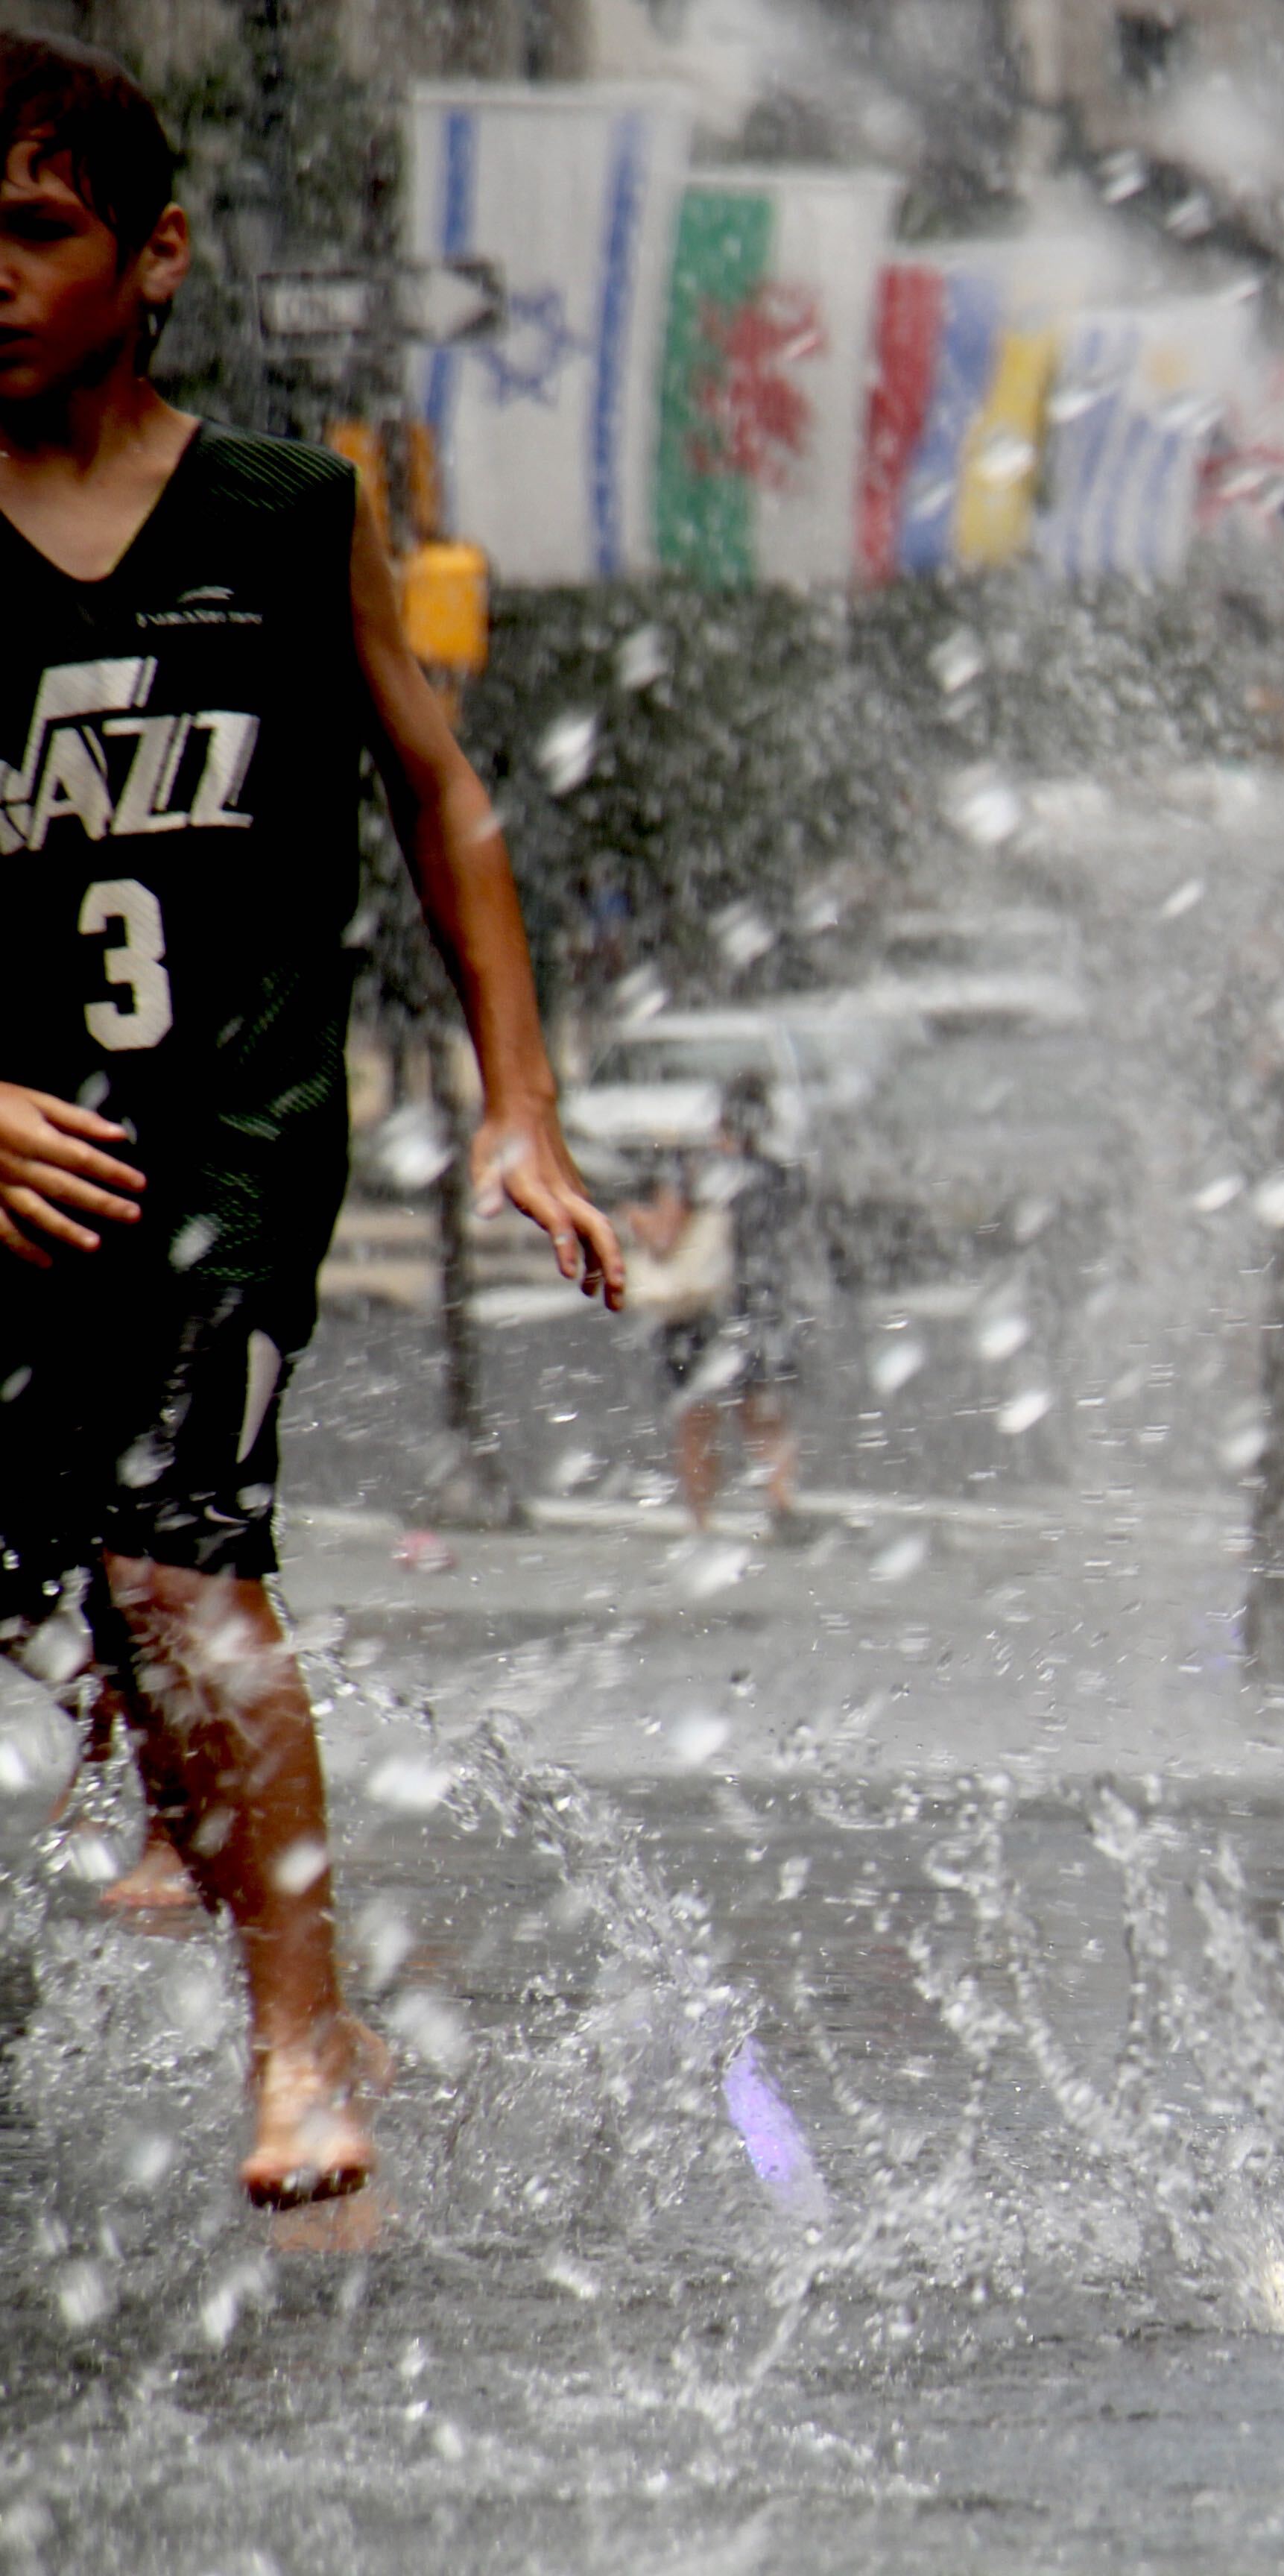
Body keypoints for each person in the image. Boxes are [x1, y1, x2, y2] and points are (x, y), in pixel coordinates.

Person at [0, 36, 623, 2209]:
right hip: (1, 1168)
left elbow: (445, 800)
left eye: (36, 230)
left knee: (180, 1566)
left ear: (155, 254)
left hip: (223, 1152)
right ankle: (171, 1863)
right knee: (75, 1601)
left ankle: (299, 2038)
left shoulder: (289, 514)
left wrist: (522, 1117)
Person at [624, 1076, 804, 1534]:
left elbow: (665, 1239)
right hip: (759, 1305)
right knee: (762, 1410)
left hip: (701, 1309)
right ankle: (780, 1501)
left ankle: (701, 1521)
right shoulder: (776, 1174)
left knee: (698, 1416)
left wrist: (632, 1214)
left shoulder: (694, 1171)